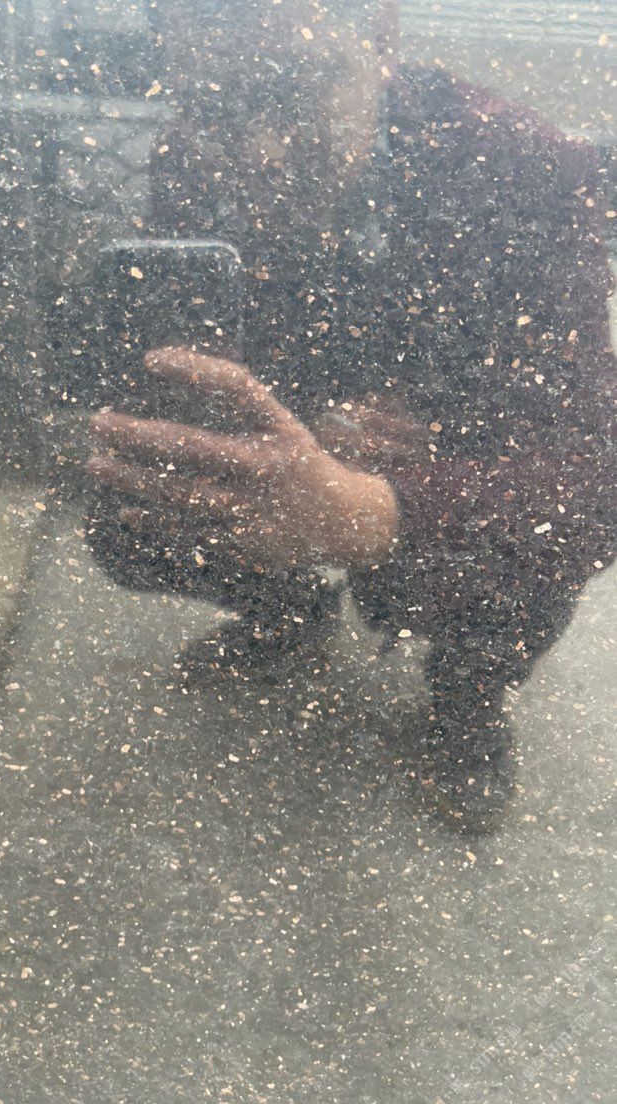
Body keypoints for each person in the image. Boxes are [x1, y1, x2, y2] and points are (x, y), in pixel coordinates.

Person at [85, 0, 616, 831]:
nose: (261, 152)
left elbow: (595, 479)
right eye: (218, 105)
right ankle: (288, 611)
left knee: (532, 554)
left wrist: (373, 505)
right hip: (318, 429)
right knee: (128, 510)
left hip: (451, 451)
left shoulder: (523, 168)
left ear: (382, 39)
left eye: (297, 87)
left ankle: (468, 696)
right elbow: (196, 357)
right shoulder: (188, 157)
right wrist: (307, 432)